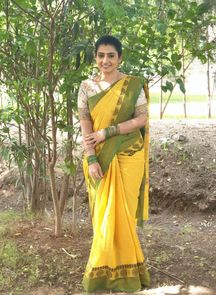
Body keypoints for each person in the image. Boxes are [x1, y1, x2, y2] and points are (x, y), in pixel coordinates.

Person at [77, 35, 150, 292]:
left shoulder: (132, 85)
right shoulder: (87, 87)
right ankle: (102, 271)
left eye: (111, 55)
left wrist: (108, 132)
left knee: (124, 217)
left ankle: (127, 273)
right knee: (103, 217)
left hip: (129, 155)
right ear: (95, 57)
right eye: (101, 55)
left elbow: (141, 118)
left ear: (120, 58)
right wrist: (91, 156)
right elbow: (85, 123)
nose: (105, 60)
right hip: (100, 158)